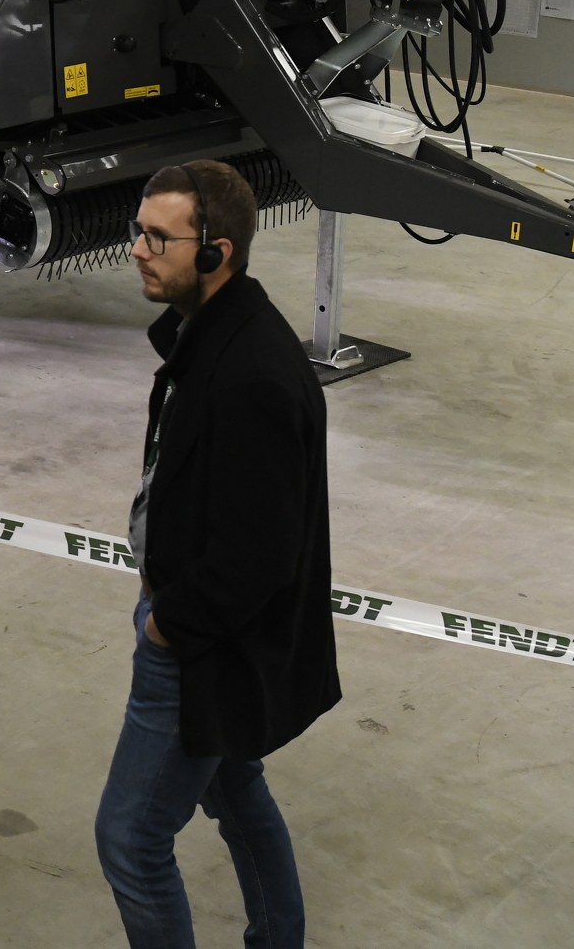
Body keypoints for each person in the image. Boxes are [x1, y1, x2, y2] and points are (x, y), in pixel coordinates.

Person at [94, 159, 339, 949]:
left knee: (130, 838)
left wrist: (168, 624)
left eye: (158, 238)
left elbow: (260, 554)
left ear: (215, 252)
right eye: (138, 232)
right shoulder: (209, 333)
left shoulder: (253, 374)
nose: (138, 250)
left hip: (201, 643)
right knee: (236, 793)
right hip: (197, 624)